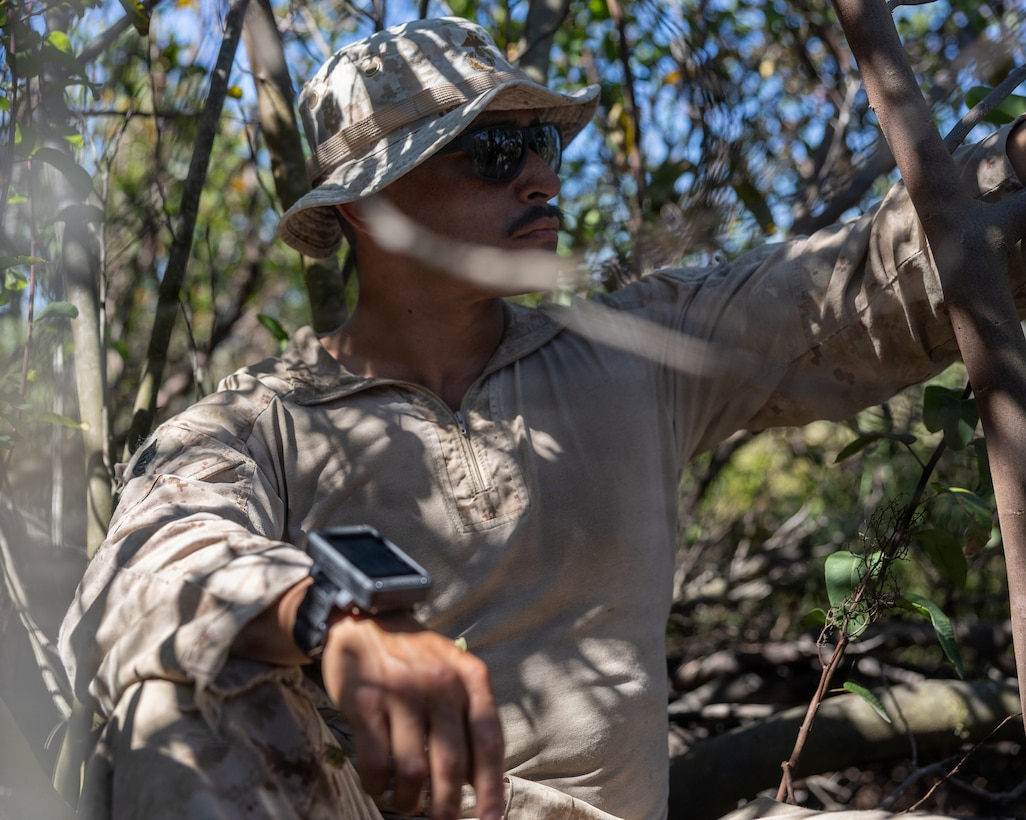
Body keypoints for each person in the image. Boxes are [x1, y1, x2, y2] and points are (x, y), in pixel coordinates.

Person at [58, 15, 1026, 820]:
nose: (539, 177)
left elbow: (873, 283)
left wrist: (1008, 177)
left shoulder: (637, 346)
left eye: (543, 143)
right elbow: (146, 574)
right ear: (366, 206)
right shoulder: (253, 425)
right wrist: (334, 623)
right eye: (491, 149)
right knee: (173, 696)